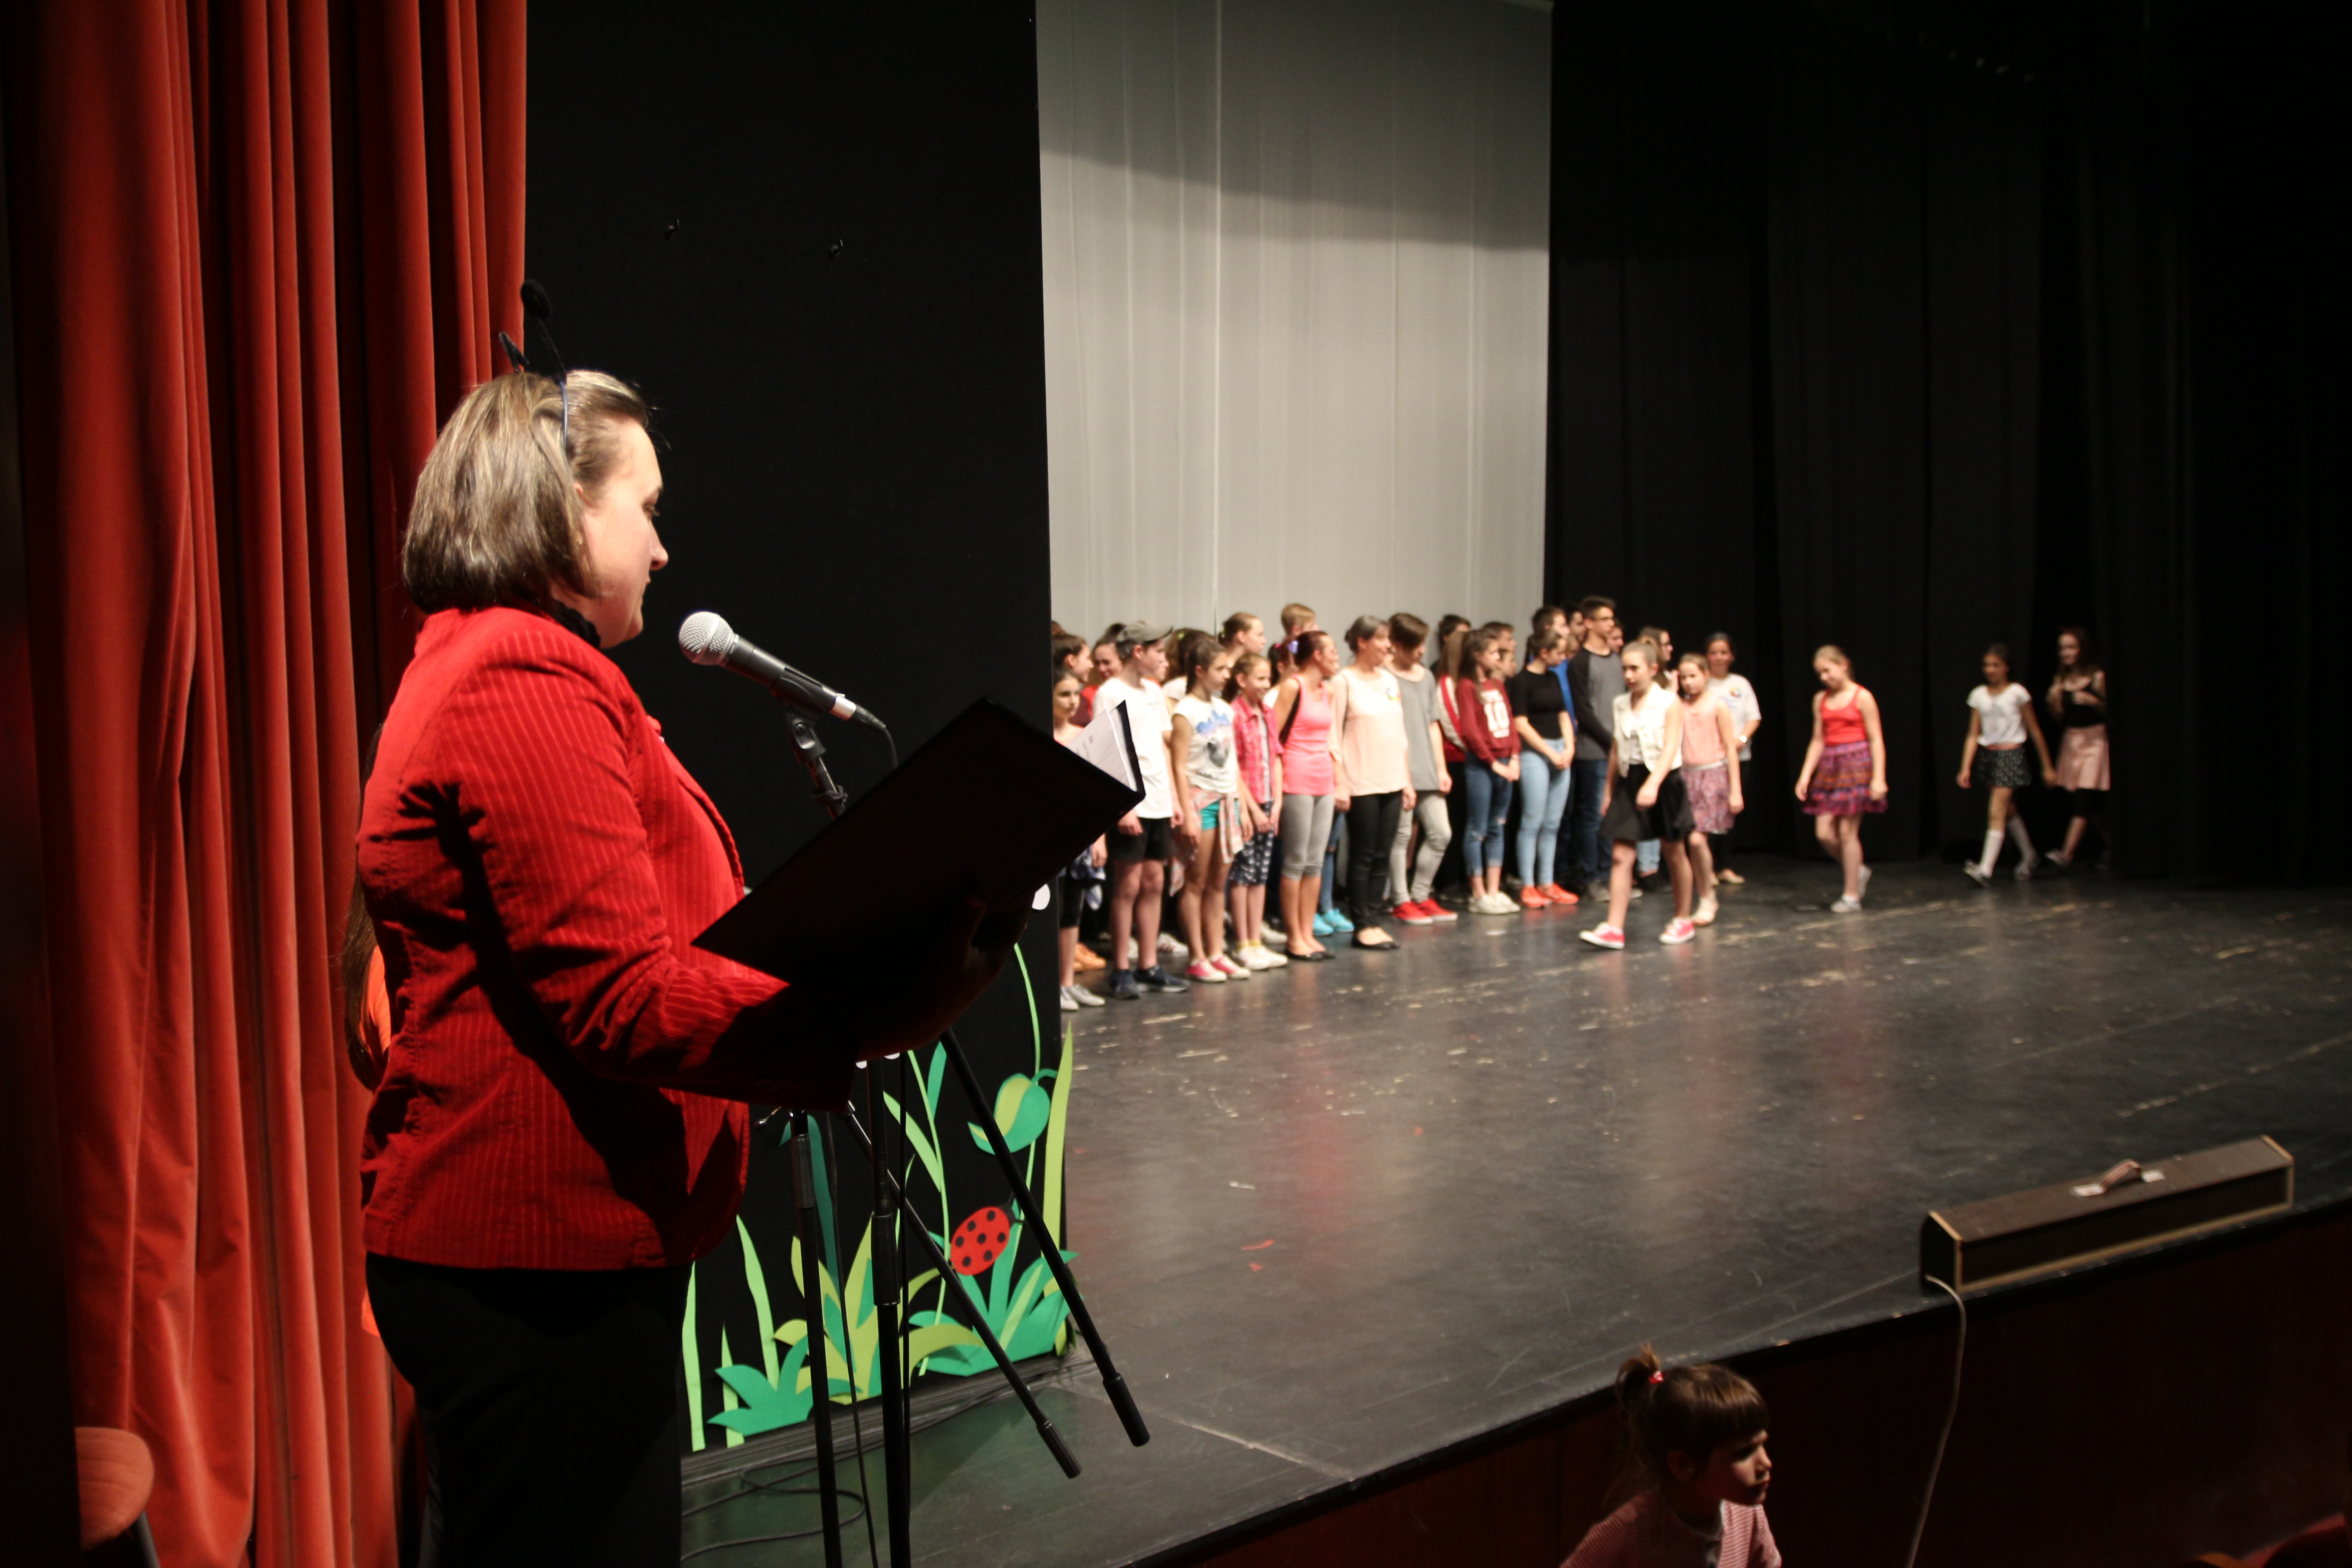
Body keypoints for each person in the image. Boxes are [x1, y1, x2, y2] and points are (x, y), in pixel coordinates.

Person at [355, 370, 1020, 1566]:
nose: (662, 549)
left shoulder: (505, 663)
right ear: (560, 505)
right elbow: (617, 997)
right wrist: (859, 1014)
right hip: (536, 1265)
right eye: (646, 507)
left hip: (546, 1260)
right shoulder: (520, 677)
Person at [1561, 1349, 1779, 1568]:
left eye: (1762, 1445)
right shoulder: (1629, 1531)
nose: (1766, 1463)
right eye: (1743, 1453)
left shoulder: (1748, 1514)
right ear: (1684, 1466)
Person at [1093, 621, 1191, 999]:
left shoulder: (1153, 691)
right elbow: (1107, 750)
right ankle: (1121, 967)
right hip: (1132, 802)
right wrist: (1123, 807)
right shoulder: (1110, 692)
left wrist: (1175, 800)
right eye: (1158, 651)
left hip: (1159, 800)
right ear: (1138, 651)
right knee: (1128, 885)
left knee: (1154, 882)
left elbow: (1161, 748)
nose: (1163, 657)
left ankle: (1148, 964)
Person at [1584, 641, 1694, 949]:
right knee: (1621, 854)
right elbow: (1617, 749)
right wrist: (1608, 792)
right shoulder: (1621, 703)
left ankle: (1683, 918)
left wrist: (1654, 784)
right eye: (1625, 669)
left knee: (1673, 851)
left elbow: (1671, 746)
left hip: (1663, 780)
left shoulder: (1669, 702)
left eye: (1635, 668)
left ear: (1653, 669)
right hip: (1629, 779)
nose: (1629, 675)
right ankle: (1614, 927)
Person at [1171, 634, 1248, 983]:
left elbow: (1232, 763)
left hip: (1227, 799)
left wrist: (1243, 806)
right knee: (1196, 881)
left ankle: (1216, 951)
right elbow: (1178, 765)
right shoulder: (1185, 712)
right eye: (1220, 669)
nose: (1226, 675)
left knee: (1219, 881)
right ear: (1200, 671)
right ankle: (1197, 956)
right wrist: (1187, 813)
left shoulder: (1225, 709)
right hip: (1200, 801)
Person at [1333, 615, 1412, 950]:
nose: (1387, 646)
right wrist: (1340, 781)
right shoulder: (1344, 681)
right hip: (1362, 780)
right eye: (1381, 639)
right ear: (1362, 642)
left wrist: (1406, 780)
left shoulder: (1390, 680)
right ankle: (1361, 924)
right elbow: (1333, 736)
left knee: (1383, 854)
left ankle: (1375, 921)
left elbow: (1399, 733)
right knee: (1363, 854)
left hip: (1392, 778)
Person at [1793, 644, 1886, 912]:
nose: (1824, 677)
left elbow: (1876, 739)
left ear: (1843, 665)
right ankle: (1857, 870)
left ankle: (1851, 896)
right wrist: (1805, 775)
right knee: (1823, 832)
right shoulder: (1820, 699)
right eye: (1820, 673)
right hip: (1830, 767)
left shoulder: (1862, 697)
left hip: (1857, 765)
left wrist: (1879, 778)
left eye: (1828, 670)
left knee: (1847, 832)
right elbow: (1818, 740)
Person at [1957, 642, 2056, 887]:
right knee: (2008, 810)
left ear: (2007, 667)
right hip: (1988, 755)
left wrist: (2047, 766)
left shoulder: (2017, 693)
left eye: (1996, 665)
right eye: (1987, 665)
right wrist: (1965, 767)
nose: (1990, 670)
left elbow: (2034, 730)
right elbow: (1973, 733)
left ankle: (1986, 869)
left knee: (1996, 810)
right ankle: (2030, 854)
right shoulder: (1978, 695)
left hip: (2011, 755)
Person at [1272, 629, 1342, 960]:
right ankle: (1294, 937)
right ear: (1317, 655)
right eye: (1332, 651)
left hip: (1323, 780)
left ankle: (1307, 932)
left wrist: (1338, 778)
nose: (1337, 657)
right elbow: (1274, 738)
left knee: (1316, 861)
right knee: (1296, 860)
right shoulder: (1293, 686)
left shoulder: (1328, 690)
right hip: (1297, 778)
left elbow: (1330, 739)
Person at [1387, 613, 1456, 925]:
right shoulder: (1385, 677)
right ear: (1398, 644)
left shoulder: (1426, 677)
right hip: (1397, 768)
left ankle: (1421, 894)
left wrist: (1441, 768)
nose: (1422, 651)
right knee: (1401, 837)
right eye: (1415, 645)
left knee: (1441, 833)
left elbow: (1432, 724)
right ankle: (1400, 899)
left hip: (1425, 766)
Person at [1446, 627, 1520, 915]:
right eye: (1493, 653)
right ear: (1477, 655)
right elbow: (1470, 731)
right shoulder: (1466, 686)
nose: (1498, 658)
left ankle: (1493, 889)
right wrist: (1492, 763)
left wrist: (1515, 757)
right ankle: (1478, 893)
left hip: (1506, 762)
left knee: (1497, 826)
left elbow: (1511, 722)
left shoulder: (1497, 685)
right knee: (1477, 829)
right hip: (1483, 766)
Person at [1507, 628, 1579, 909]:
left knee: (1552, 823)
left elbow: (1563, 715)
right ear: (1544, 652)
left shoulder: (1553, 678)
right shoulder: (1521, 681)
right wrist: (1550, 752)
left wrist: (1569, 748)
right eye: (1559, 652)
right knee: (1532, 821)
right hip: (1535, 753)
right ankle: (1528, 884)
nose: (1563, 658)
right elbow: (1521, 723)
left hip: (1560, 750)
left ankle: (1547, 882)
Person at [1224, 652, 1287, 970]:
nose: (1266, 684)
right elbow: (1233, 766)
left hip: (1268, 801)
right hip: (1246, 805)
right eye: (1260, 678)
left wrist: (1277, 801)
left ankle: (1256, 941)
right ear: (1241, 679)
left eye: (1268, 679)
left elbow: (1276, 757)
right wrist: (1250, 809)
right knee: (1243, 873)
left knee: (1261, 874)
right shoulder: (1233, 714)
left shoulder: (1268, 713)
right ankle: (1242, 943)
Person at [1052, 671, 1109, 1009]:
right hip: (1053, 835)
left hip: (1081, 836)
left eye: (1076, 694)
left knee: (1072, 911)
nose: (1073, 701)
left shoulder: (1084, 736)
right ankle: (1052, 986)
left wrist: (1099, 839)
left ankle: (1067, 982)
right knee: (1055, 909)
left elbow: (1096, 792)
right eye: (1064, 694)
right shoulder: (1044, 736)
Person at [1674, 653, 1742, 928]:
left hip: (1712, 777)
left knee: (1696, 840)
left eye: (1693, 676)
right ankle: (1703, 894)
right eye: (1684, 677)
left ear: (1705, 675)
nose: (1688, 682)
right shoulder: (1678, 706)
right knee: (1690, 841)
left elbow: (1731, 749)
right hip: (1686, 778)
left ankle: (1707, 897)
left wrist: (1736, 789)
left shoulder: (1718, 705)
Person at [1567, 596, 1624, 897]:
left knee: (1612, 814)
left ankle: (1609, 873)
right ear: (1589, 623)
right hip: (1594, 750)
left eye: (1612, 619)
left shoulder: (1616, 659)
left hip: (1619, 750)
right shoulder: (1581, 662)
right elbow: (1583, 710)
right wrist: (1610, 740)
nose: (1610, 624)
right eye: (1604, 619)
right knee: (1592, 815)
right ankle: (1592, 877)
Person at [2045, 626, 2112, 871]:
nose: (2066, 653)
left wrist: (2095, 702)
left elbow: (2112, 712)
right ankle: (2113, 846)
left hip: (2095, 740)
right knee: (2092, 804)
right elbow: (2059, 719)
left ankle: (2067, 854)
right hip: (2072, 741)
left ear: (2082, 649)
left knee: (2083, 798)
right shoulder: (2061, 680)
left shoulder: (2097, 677)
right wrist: (2053, 704)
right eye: (2063, 648)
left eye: (2072, 647)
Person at [1701, 634, 1761, 886]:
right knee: (1709, 813)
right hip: (1709, 759)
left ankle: (1725, 865)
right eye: (1714, 653)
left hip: (1738, 757)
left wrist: (1742, 739)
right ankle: (1707, 869)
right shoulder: (1702, 683)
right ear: (1707, 656)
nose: (1719, 658)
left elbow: (1754, 716)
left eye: (1724, 653)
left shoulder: (1740, 684)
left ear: (1732, 656)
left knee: (1730, 811)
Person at [1632, 626, 1674, 888]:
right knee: (1643, 817)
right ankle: (1647, 869)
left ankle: (1656, 867)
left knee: (1664, 821)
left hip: (1665, 760)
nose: (1669, 649)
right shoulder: (1632, 692)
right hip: (1642, 760)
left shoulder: (1668, 681)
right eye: (1665, 644)